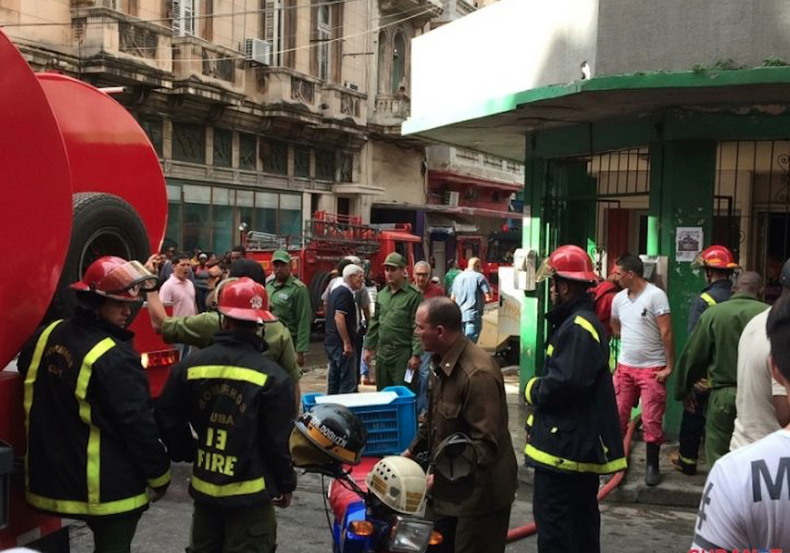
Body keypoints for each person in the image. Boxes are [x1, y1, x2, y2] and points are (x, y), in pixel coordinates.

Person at [18, 256, 171, 553]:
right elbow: (137, 425)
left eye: (130, 302)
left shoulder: (48, 334)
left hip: (51, 479)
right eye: (119, 304)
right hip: (109, 492)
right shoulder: (114, 357)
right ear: (93, 302)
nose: (128, 311)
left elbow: (29, 370)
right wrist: (160, 474)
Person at [156, 278, 296, 553]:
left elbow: (166, 415)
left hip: (206, 490)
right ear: (260, 325)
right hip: (252, 499)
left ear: (224, 320)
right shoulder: (273, 378)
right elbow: (277, 442)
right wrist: (285, 483)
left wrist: (187, 450)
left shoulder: (189, 367)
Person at [524, 245, 626, 553]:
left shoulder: (579, 326)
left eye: (554, 284)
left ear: (565, 286)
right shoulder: (580, 323)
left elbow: (565, 382)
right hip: (569, 450)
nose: (552, 291)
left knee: (557, 532)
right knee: (578, 529)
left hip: (563, 454)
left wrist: (533, 389)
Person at [406, 297, 517, 553]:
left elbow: (484, 446)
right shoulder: (441, 362)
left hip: (480, 496)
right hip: (449, 488)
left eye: (420, 327)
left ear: (440, 332)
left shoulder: (477, 375)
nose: (416, 332)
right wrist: (410, 453)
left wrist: (440, 477)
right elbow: (434, 420)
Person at [689, 299, 790, 550]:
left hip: (729, 410)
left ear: (775, 368)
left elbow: (693, 356)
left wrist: (683, 389)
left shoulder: (733, 474)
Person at [146, 258, 303, 409]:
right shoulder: (279, 330)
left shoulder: (211, 323)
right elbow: (294, 385)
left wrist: (150, 284)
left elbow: (160, 324)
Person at [675, 272, 767, 469]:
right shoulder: (769, 315)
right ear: (760, 290)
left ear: (733, 288)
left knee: (719, 459)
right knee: (757, 454)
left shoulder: (713, 314)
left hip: (723, 395)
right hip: (759, 394)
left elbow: (693, 356)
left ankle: (722, 496)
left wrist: (684, 389)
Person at [670, 245, 739, 475]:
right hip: (735, 375)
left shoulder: (703, 300)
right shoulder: (740, 298)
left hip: (708, 375)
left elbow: (695, 343)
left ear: (709, 272)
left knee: (693, 415)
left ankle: (687, 461)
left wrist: (689, 382)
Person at [610, 252, 674, 486]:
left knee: (651, 419)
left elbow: (666, 331)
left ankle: (652, 466)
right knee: (617, 415)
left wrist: (669, 366)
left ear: (631, 274)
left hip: (652, 369)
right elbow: (615, 326)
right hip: (625, 368)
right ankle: (615, 462)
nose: (614, 277)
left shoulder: (656, 296)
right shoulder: (619, 299)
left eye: (618, 273)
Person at [730, 260, 790, 451]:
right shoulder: (782, 333)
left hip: (745, 449)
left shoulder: (760, 321)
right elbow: (784, 414)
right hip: (772, 461)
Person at [363, 252, 423, 391]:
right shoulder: (382, 294)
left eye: (393, 269)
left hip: (402, 354)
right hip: (383, 353)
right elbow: (375, 322)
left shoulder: (413, 296)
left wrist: (416, 355)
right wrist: (369, 348)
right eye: (387, 269)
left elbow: (417, 327)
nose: (389, 273)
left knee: (403, 393)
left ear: (403, 271)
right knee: (383, 394)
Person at [266, 250, 311, 369]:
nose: (279, 269)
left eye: (283, 265)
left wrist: (300, 351)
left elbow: (303, 320)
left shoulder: (298, 289)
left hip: (288, 343)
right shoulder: (268, 286)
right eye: (276, 265)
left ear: (290, 266)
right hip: (269, 343)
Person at [325, 264, 365, 394]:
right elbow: (339, 317)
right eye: (360, 277)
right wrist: (346, 343)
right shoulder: (344, 293)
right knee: (347, 382)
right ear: (352, 277)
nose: (362, 280)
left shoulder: (336, 291)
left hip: (333, 342)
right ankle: (344, 410)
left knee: (335, 380)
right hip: (340, 345)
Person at [413, 260, 444, 417]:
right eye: (418, 274)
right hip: (411, 339)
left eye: (424, 275)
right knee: (412, 374)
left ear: (429, 276)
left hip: (427, 340)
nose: (421, 278)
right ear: (413, 275)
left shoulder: (437, 292)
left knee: (424, 373)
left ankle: (423, 408)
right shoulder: (409, 291)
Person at [450, 257, 493, 343]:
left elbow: (452, 299)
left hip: (459, 316)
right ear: (478, 266)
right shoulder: (480, 277)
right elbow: (489, 297)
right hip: (473, 316)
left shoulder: (458, 278)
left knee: (460, 344)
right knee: (470, 345)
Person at [160, 253, 197, 317]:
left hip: (191, 324)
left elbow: (193, 304)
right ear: (173, 266)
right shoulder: (168, 286)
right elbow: (163, 310)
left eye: (188, 265)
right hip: (177, 325)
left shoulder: (190, 284)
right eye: (182, 265)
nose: (186, 268)